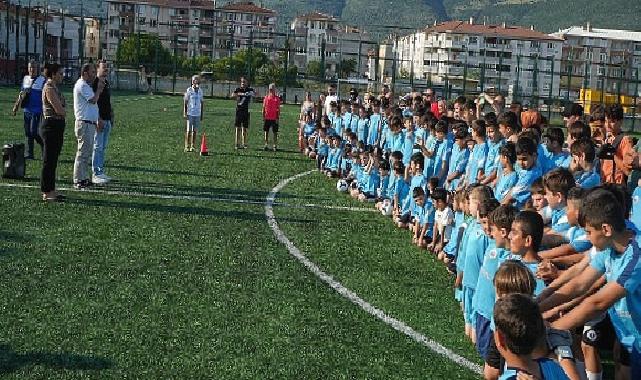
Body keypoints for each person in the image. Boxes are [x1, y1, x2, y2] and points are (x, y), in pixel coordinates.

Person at [73, 63, 104, 190]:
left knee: (86, 153)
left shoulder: (86, 85)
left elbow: (92, 105)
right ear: (84, 73)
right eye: (91, 72)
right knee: (82, 153)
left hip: (88, 123)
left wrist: (96, 119)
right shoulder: (81, 85)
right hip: (84, 123)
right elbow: (92, 100)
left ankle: (84, 178)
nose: (94, 75)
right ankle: (78, 179)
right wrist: (99, 90)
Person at [39, 63, 66, 202]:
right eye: (60, 73)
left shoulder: (55, 87)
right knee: (48, 160)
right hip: (51, 126)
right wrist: (63, 109)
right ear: (53, 74)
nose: (62, 76)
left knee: (53, 160)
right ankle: (46, 192)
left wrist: (63, 109)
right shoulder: (49, 88)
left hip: (56, 125)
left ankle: (51, 189)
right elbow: (60, 110)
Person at [12, 60, 45, 159]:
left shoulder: (42, 80)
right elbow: (21, 94)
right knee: (27, 133)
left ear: (37, 69)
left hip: (37, 110)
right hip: (27, 110)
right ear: (28, 68)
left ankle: (44, 144)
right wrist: (16, 106)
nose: (32, 69)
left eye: (34, 67)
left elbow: (45, 95)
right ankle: (29, 154)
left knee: (33, 132)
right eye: (30, 67)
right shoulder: (25, 79)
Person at [92, 60, 114, 184]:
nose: (106, 70)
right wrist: (97, 119)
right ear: (97, 69)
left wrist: (112, 115)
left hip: (107, 120)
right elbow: (94, 103)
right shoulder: (95, 83)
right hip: (99, 120)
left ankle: (100, 171)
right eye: (104, 68)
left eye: (107, 68)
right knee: (97, 147)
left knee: (102, 148)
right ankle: (96, 173)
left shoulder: (106, 82)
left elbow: (107, 102)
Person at [183, 75, 204, 152]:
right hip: (190, 113)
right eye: (194, 80)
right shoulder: (189, 90)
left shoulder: (200, 91)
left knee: (195, 131)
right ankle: (186, 146)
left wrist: (201, 114)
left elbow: (202, 102)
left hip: (197, 113)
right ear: (192, 81)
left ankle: (193, 146)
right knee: (188, 130)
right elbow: (185, 101)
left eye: (197, 80)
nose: (195, 81)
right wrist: (185, 112)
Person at [232, 77, 255, 149]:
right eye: (242, 82)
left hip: (246, 111)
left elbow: (256, 94)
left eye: (244, 82)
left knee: (244, 128)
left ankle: (244, 143)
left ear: (247, 83)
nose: (243, 83)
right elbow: (232, 95)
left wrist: (251, 93)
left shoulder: (249, 89)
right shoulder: (238, 89)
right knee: (238, 128)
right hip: (239, 111)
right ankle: (237, 144)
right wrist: (241, 94)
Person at [263, 83, 281, 152]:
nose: (271, 90)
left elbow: (278, 109)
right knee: (266, 132)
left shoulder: (277, 98)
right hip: (267, 118)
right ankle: (266, 144)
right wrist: (263, 116)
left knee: (275, 132)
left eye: (272, 88)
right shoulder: (266, 97)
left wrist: (277, 118)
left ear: (274, 89)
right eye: (270, 88)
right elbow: (264, 108)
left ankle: (274, 145)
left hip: (274, 118)